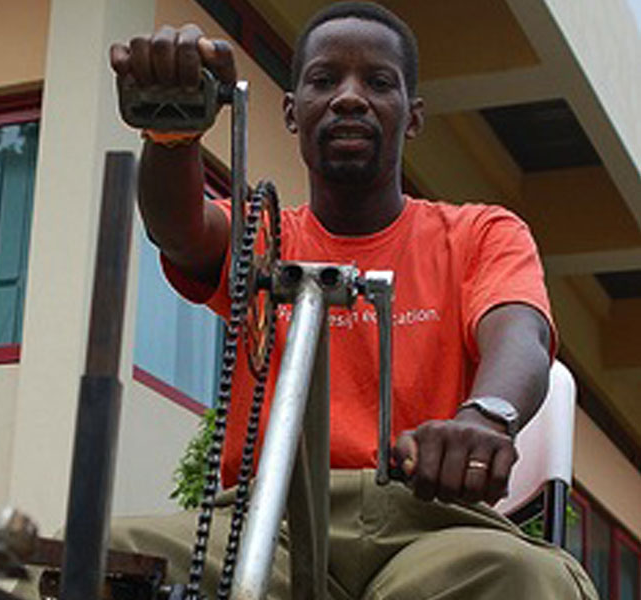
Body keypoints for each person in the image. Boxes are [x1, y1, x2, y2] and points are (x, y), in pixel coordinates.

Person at [97, 2, 597, 599]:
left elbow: (522, 334)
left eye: (379, 82)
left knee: (529, 577)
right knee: (94, 558)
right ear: (292, 111)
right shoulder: (261, 235)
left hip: (429, 525)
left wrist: (484, 416)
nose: (350, 97)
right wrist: (172, 131)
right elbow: (178, 230)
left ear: (412, 118)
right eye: (325, 80)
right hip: (265, 521)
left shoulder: (480, 232)